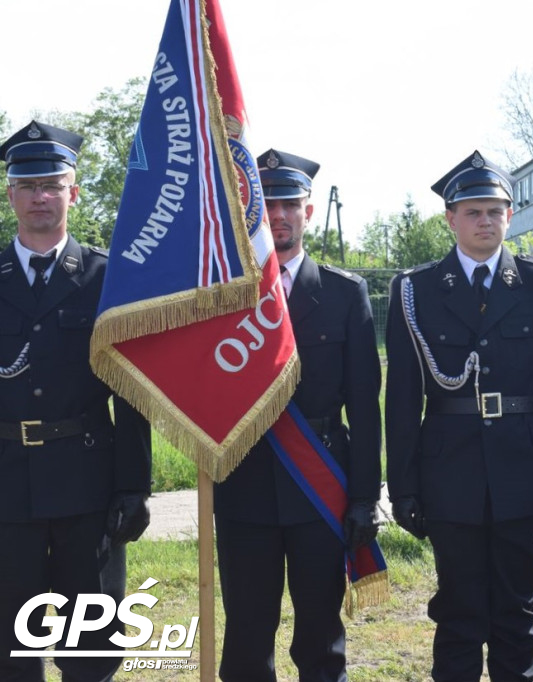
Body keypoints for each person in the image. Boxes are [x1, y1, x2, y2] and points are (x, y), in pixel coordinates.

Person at [385, 150, 533, 682]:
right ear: (450, 219)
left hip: (525, 470)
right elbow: (402, 400)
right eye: (473, 212)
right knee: (458, 614)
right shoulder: (414, 291)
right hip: (449, 472)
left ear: (510, 217)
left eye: (495, 211)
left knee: (518, 615)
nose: (485, 221)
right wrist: (402, 487)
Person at [213, 148, 382, 682]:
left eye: (290, 203)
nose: (278, 214)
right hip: (243, 485)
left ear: (309, 212)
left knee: (319, 635)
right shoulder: (218, 294)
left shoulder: (343, 293)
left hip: (320, 489)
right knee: (246, 635)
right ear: (248, 211)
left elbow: (364, 405)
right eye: (266, 203)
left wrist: (363, 497)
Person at [0, 120, 152, 681]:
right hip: (6, 486)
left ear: (74, 191)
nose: (41, 196)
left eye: (53, 184)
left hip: (87, 484)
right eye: (28, 184)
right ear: (11, 193)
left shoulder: (106, 280)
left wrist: (134, 486)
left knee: (89, 647)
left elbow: (133, 394)